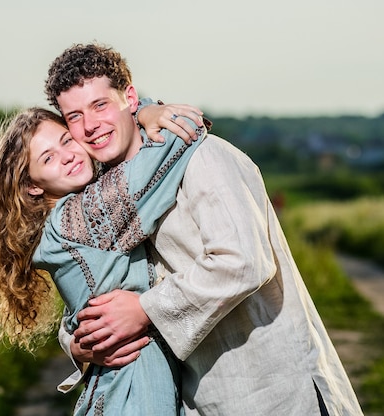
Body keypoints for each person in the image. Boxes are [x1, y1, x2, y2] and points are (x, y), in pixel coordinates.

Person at [46, 43, 364, 415]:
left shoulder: (202, 156)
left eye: (100, 105)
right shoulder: (110, 199)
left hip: (275, 388)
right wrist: (77, 343)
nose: (90, 126)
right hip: (201, 399)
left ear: (129, 98)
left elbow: (243, 261)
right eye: (74, 116)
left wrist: (145, 310)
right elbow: (90, 283)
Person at [0, 106, 206, 415]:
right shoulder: (77, 217)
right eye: (48, 158)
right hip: (132, 388)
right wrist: (142, 113)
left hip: (129, 383)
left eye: (67, 140)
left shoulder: (58, 225)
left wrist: (74, 343)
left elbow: (78, 313)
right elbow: (179, 137)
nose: (66, 155)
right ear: (33, 186)